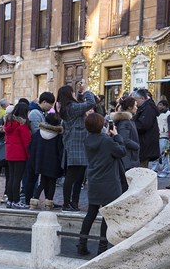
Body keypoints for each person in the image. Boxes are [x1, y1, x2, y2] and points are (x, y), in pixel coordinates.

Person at [76, 112, 128, 257]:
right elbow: (121, 151)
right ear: (101, 126)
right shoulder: (107, 141)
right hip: (109, 182)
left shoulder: (87, 140)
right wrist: (117, 136)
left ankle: (82, 244)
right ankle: (102, 248)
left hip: (94, 180)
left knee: (91, 214)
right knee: (107, 216)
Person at [58, 84, 96, 211]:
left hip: (76, 144)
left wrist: (80, 93)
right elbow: (91, 102)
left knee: (78, 177)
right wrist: (85, 91)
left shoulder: (67, 107)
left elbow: (80, 103)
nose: (75, 94)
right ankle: (67, 203)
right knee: (73, 176)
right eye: (73, 93)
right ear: (68, 94)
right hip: (77, 145)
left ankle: (74, 202)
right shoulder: (72, 108)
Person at [32, 112, 64, 208]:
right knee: (52, 182)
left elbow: (33, 147)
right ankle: (49, 202)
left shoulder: (39, 133)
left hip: (41, 161)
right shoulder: (58, 136)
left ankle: (34, 199)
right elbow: (60, 151)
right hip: (53, 162)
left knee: (43, 182)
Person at [3, 104, 31, 208]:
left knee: (11, 178)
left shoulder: (9, 123)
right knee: (17, 179)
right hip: (20, 154)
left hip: (10, 153)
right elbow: (26, 141)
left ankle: (10, 200)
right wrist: (29, 155)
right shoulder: (21, 124)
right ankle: (16, 200)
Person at [132, 88, 160, 168]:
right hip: (145, 142)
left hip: (145, 143)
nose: (135, 102)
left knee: (141, 168)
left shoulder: (148, 108)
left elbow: (143, 125)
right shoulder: (145, 107)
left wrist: (132, 125)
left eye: (136, 100)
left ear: (142, 98)